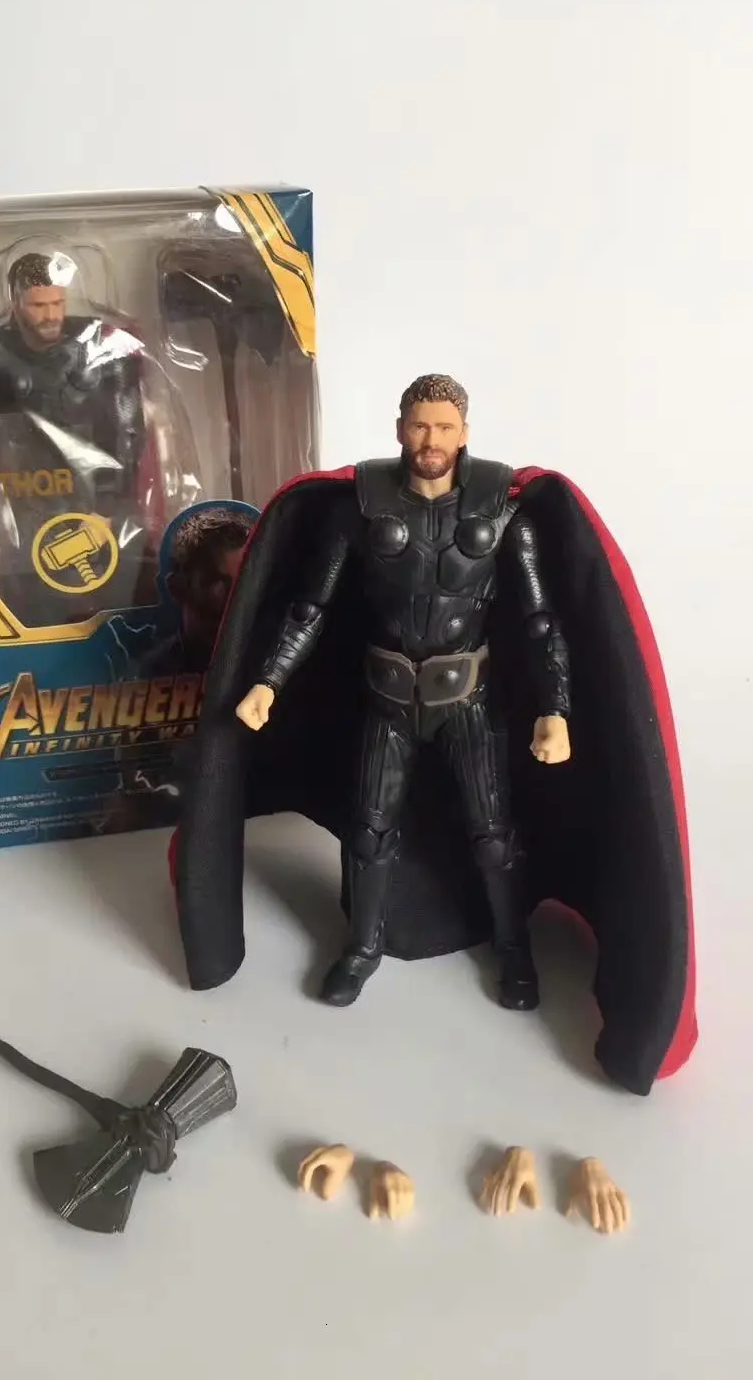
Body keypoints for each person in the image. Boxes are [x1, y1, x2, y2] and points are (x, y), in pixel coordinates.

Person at [234, 374, 571, 1009]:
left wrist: (555, 709)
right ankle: (363, 947)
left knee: (493, 834)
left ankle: (511, 947)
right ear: (399, 429)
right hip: (386, 699)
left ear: (464, 434)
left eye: (444, 427)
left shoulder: (503, 513)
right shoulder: (359, 510)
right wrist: (268, 680)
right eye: (419, 425)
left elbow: (539, 621)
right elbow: (311, 608)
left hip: (467, 699)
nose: (430, 439)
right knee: (367, 831)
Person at [0, 251, 154, 625]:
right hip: (23, 504)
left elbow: (127, 433)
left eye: (57, 303)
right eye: (39, 306)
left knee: (119, 607)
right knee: (33, 610)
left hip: (98, 501)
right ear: (15, 302)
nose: (51, 315)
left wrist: (106, 508)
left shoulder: (104, 343)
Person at [139, 506, 257, 677]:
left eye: (245, 584)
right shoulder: (157, 673)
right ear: (177, 588)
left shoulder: (274, 660)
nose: (235, 605)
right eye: (218, 586)